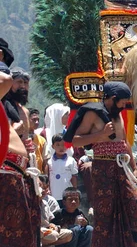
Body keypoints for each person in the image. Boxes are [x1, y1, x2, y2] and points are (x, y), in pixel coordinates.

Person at [66, 81, 137, 247]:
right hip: (103, 169)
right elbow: (75, 140)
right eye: (122, 102)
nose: (124, 106)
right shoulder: (93, 113)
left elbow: (124, 142)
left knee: (133, 204)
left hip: (122, 169)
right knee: (106, 213)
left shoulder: (117, 114)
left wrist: (135, 168)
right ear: (113, 98)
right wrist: (101, 135)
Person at [0, 61, 41, 247]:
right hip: (7, 171)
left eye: (26, 83)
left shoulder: (22, 109)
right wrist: (15, 128)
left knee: (27, 229)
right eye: (19, 83)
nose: (23, 87)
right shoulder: (4, 104)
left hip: (23, 173)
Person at [48, 134, 78, 205]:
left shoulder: (71, 161)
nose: (61, 147)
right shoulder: (49, 162)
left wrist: (74, 190)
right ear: (53, 146)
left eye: (63, 144)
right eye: (58, 145)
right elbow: (48, 177)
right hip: (54, 194)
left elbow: (74, 177)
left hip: (67, 194)